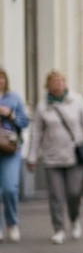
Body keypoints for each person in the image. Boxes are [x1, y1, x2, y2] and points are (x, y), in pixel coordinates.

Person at [26, 70, 83, 244]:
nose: (57, 84)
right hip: (51, 156)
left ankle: (74, 218)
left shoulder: (76, 101)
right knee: (56, 195)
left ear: (65, 83)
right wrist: (32, 156)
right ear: (47, 85)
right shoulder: (43, 106)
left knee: (74, 192)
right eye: (54, 81)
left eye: (60, 81)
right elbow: (37, 132)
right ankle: (58, 228)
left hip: (74, 155)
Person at [0, 67, 30, 242]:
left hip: (10, 148)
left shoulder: (14, 98)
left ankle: (12, 223)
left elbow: (24, 122)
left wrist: (10, 114)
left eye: (2, 78)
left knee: (10, 188)